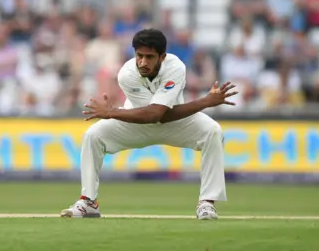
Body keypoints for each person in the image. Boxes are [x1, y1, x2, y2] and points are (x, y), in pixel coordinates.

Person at [61, 28, 236, 220]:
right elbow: (154, 115)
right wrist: (205, 102)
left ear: (162, 57)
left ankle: (207, 203)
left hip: (177, 122)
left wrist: (112, 112)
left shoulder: (175, 67)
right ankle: (88, 202)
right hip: (136, 122)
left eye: (149, 57)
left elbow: (159, 114)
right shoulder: (126, 74)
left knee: (212, 131)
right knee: (93, 136)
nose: (143, 62)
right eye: (139, 56)